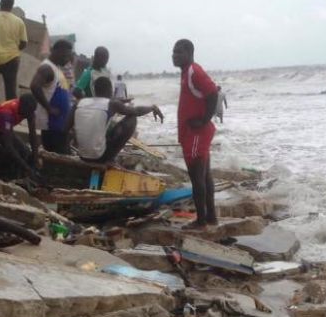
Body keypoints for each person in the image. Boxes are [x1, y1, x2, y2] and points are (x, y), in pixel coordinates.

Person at [172, 39, 220, 228]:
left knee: (197, 177)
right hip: (192, 133)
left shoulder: (194, 71)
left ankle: (201, 221)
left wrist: (204, 119)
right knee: (205, 176)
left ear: (189, 53)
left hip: (196, 133)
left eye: (179, 52)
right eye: (173, 52)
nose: (174, 56)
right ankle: (211, 217)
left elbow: (213, 93)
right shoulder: (186, 72)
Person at [72, 76, 163, 163]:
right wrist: (152, 107)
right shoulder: (112, 104)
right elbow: (136, 111)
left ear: (95, 91)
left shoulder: (79, 103)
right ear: (109, 90)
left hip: (82, 155)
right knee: (132, 119)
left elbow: (64, 129)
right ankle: (111, 158)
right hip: (100, 157)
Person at [0, 93, 39, 181]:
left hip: (3, 131)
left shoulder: (28, 110)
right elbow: (9, 146)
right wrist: (27, 168)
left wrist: (35, 158)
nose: (30, 115)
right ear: (23, 108)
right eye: (29, 112)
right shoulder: (7, 113)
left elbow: (32, 135)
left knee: (25, 151)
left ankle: (18, 177)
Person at [30, 39, 75, 154]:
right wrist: (49, 108)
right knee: (59, 156)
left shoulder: (56, 69)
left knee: (62, 156)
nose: (67, 60)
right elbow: (35, 86)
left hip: (59, 125)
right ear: (56, 51)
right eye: (65, 56)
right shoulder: (47, 68)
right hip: (51, 124)